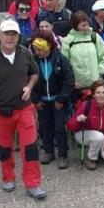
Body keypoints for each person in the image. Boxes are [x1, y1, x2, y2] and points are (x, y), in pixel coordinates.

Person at [0, 19, 46, 200]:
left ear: (18, 36)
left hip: (24, 109)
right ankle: (8, 178)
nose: (10, 37)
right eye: (7, 34)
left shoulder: (25, 54)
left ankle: (33, 184)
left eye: (14, 34)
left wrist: (29, 86)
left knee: (30, 148)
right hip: (0, 112)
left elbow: (35, 73)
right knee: (5, 148)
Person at [30, 31, 75, 169]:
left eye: (41, 50)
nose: (38, 52)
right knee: (45, 127)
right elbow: (29, 81)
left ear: (48, 47)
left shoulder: (60, 59)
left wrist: (61, 98)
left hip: (58, 101)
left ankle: (62, 154)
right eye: (36, 50)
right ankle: (48, 151)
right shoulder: (34, 62)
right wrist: (36, 99)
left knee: (60, 128)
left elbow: (69, 80)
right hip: (42, 101)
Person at [67, 79, 104, 170]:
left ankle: (98, 150)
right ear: (93, 94)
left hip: (102, 135)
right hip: (83, 134)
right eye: (98, 92)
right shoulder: (86, 105)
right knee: (98, 137)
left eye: (103, 92)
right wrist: (78, 120)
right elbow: (70, 126)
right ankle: (91, 159)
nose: (101, 95)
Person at [62, 11, 104, 90]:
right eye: (83, 25)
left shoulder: (94, 37)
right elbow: (64, 64)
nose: (86, 27)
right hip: (77, 86)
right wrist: (71, 81)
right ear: (75, 26)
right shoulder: (68, 41)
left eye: (87, 25)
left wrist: (99, 73)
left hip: (96, 84)